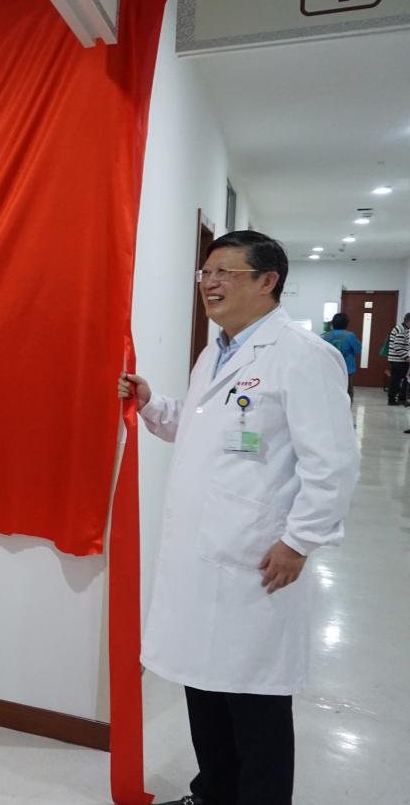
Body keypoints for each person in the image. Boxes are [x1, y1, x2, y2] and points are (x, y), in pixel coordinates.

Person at [118, 231, 358, 805]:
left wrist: (299, 541)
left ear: (268, 281)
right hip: (201, 556)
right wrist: (153, 404)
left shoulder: (303, 356)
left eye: (226, 272)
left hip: (255, 558)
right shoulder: (215, 352)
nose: (211, 283)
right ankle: (213, 793)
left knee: (254, 702)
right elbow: (203, 427)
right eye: (206, 273)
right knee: (203, 687)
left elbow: (332, 464)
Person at [320, 312, 361, 399]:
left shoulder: (324, 336)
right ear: (346, 324)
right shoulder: (350, 336)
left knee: (329, 391)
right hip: (346, 369)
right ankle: (346, 407)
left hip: (329, 368)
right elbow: (358, 349)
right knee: (347, 392)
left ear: (333, 323)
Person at [388, 312, 409, 406]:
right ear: (408, 321)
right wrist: (407, 357)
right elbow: (397, 346)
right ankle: (395, 399)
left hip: (397, 359)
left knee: (397, 380)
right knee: (398, 380)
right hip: (398, 360)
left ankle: (397, 398)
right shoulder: (401, 330)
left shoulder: (402, 328)